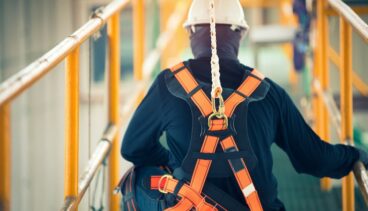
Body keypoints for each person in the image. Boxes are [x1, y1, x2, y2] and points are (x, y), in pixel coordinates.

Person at [120, 0, 368, 210]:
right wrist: (356, 155)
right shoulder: (269, 92)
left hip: (193, 205)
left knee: (137, 179)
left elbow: (133, 149)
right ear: (240, 34)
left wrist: (175, 163)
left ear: (191, 33)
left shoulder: (169, 84)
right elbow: (314, 159)